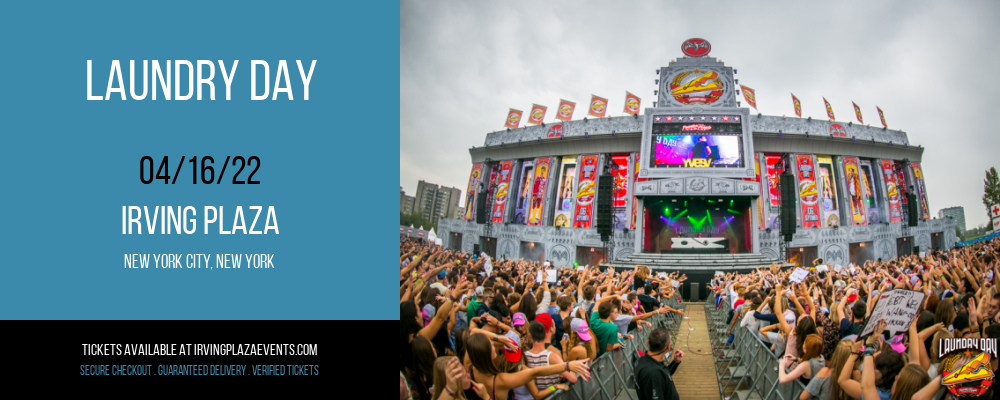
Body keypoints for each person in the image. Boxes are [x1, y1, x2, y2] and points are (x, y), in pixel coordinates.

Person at [465, 332, 590, 400]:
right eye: (491, 344)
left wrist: (500, 338)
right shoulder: (501, 380)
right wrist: (566, 366)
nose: (494, 344)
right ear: (486, 353)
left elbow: (473, 332)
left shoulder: (469, 367)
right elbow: (534, 373)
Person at [633, 327, 683, 400]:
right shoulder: (653, 374)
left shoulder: (643, 360)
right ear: (668, 347)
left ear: (648, 342)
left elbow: (664, 375)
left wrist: (675, 362)